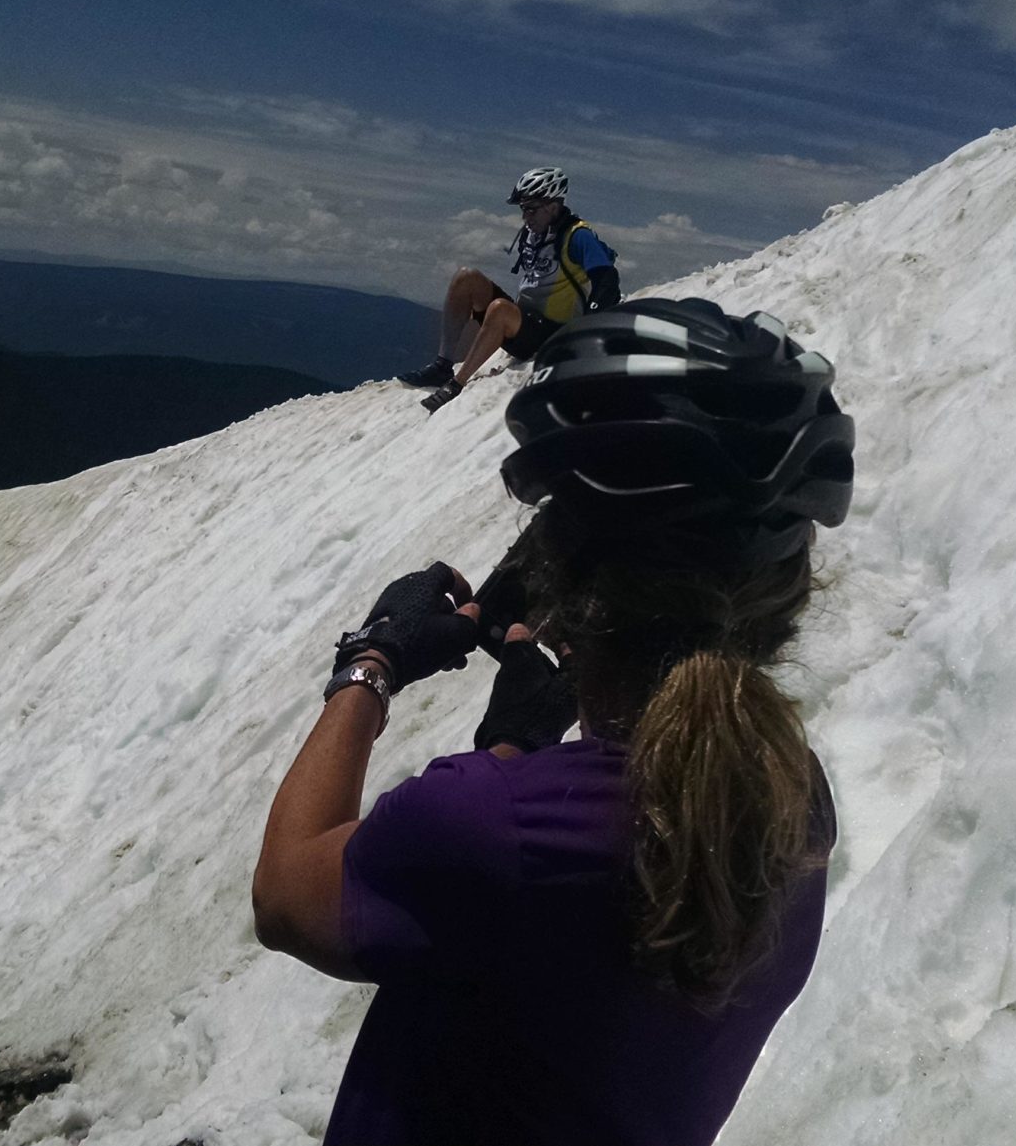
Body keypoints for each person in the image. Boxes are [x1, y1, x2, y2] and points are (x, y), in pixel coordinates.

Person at [255, 299, 856, 1145]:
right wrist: (518, 750)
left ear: (571, 574)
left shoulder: (495, 826)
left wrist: (372, 661)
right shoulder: (796, 803)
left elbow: (285, 895)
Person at [396, 166, 621, 413]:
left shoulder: (577, 236)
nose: (525, 216)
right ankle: (442, 366)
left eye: (531, 209)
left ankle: (456, 384)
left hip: (552, 334)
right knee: (466, 277)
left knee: (500, 309)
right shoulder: (535, 233)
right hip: (524, 323)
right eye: (523, 209)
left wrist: (590, 326)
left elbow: (606, 279)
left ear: (553, 205)